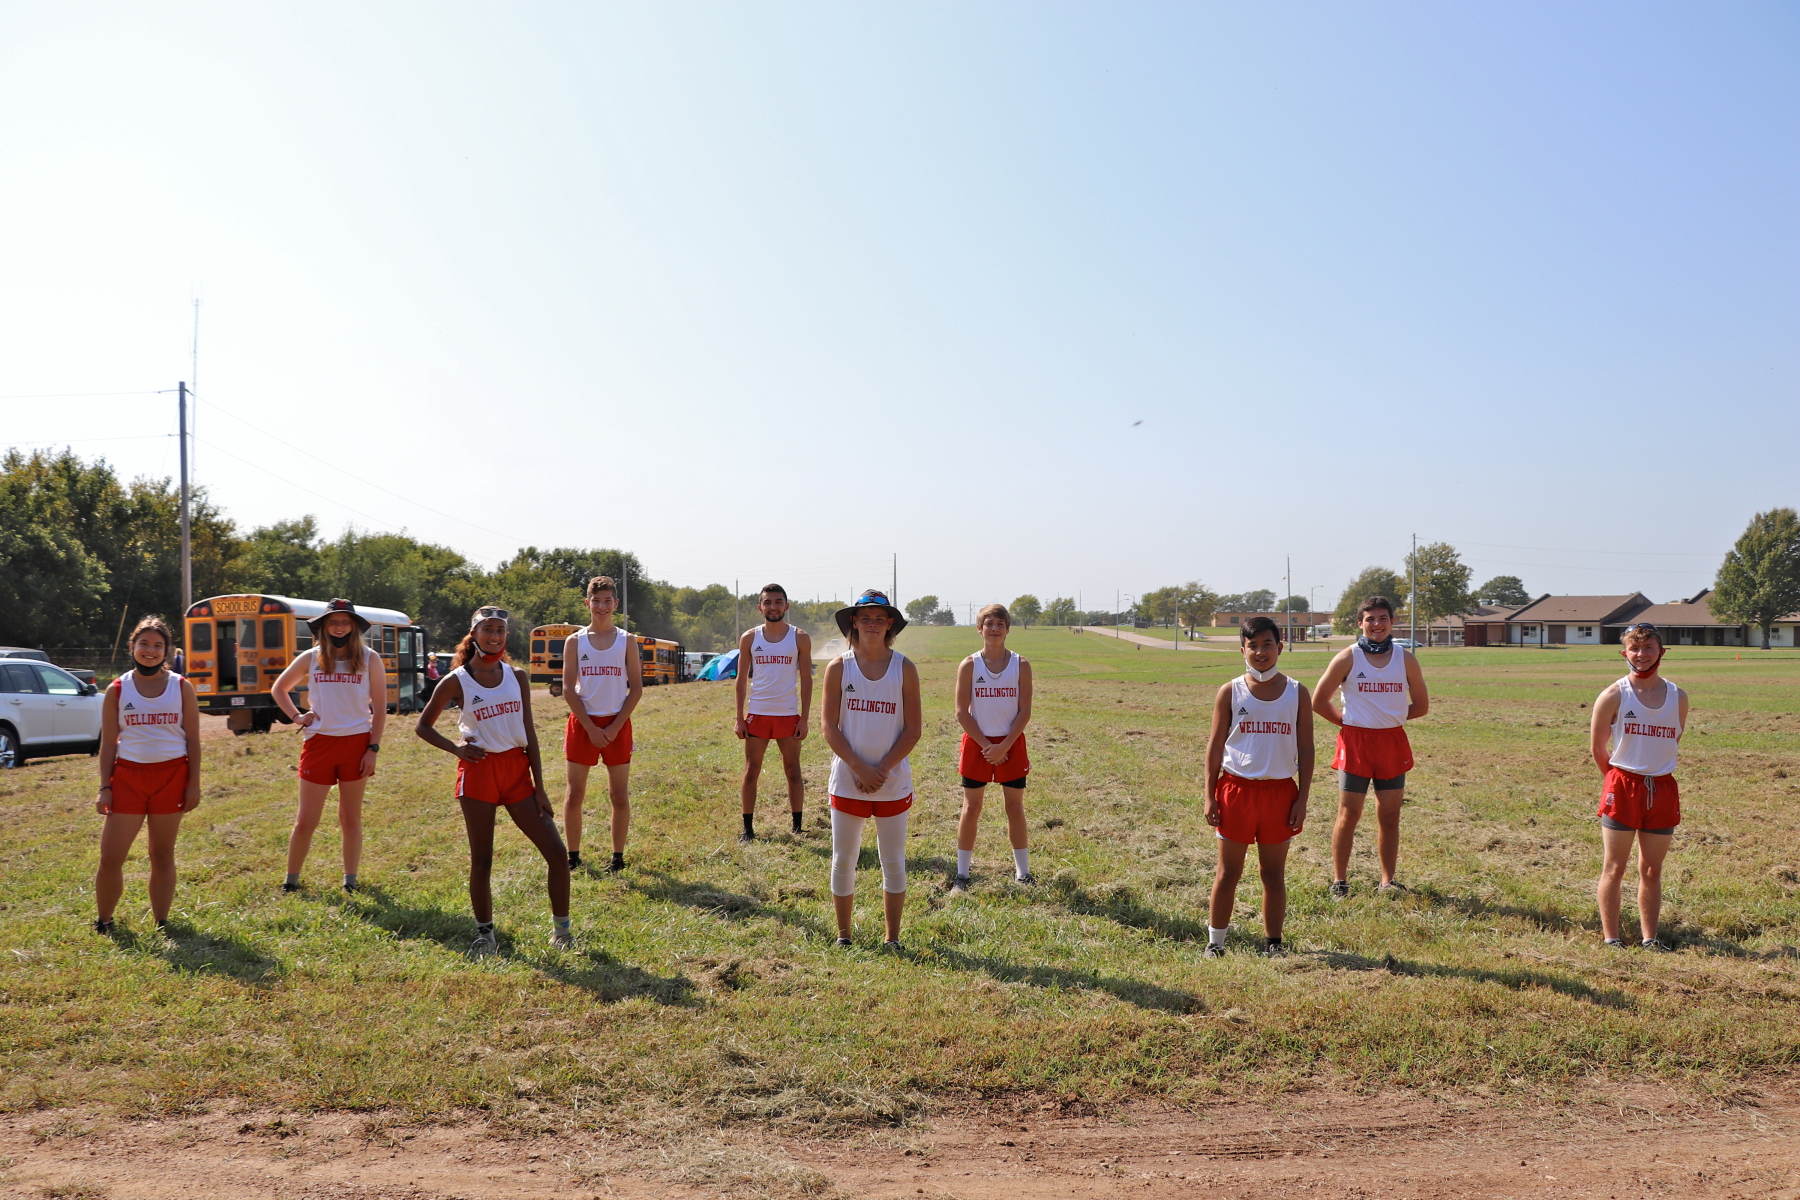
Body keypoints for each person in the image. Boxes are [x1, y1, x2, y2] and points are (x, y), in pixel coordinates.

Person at [417, 606, 572, 954]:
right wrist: (456, 749)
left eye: (501, 630)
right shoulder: (457, 679)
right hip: (479, 772)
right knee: (482, 859)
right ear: (474, 634)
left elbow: (528, 731)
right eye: (488, 629)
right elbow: (422, 726)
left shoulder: (517, 676)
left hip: (517, 772)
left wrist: (540, 786)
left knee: (557, 854)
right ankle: (485, 935)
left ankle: (562, 932)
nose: (495, 636)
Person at [1202, 617, 1312, 957]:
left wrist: (1302, 799)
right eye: (1253, 646)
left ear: (1280, 647)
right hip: (1236, 792)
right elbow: (1215, 746)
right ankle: (1215, 943)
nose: (1260, 652)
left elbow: (1306, 750)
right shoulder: (1230, 691)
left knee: (1273, 873)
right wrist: (1209, 795)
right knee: (1228, 872)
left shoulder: (1297, 692)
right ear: (1242, 650)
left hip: (1280, 793)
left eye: (1267, 644)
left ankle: (1274, 943)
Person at [821, 590, 922, 949]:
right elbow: (829, 727)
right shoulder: (839, 667)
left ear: (890, 624)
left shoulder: (904, 668)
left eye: (880, 618)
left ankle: (892, 938)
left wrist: (881, 770)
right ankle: (843, 935)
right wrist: (860, 767)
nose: (872, 624)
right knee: (844, 858)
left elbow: (913, 729)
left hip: (892, 783)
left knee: (893, 860)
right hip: (848, 781)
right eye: (865, 618)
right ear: (854, 623)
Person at [1312, 595, 1428, 898]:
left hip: (1392, 742)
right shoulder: (1348, 657)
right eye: (1371, 619)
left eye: (1383, 618)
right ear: (1360, 623)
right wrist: (1350, 723)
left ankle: (1387, 881)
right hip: (1356, 743)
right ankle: (1340, 881)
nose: (1377, 624)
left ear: (1392, 621)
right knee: (1348, 813)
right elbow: (1318, 701)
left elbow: (1422, 705)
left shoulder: (1406, 659)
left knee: (1389, 815)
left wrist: (1389, 719)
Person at [270, 598, 386, 894]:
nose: (339, 627)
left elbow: (382, 709)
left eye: (345, 622)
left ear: (355, 626)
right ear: (323, 627)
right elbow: (279, 688)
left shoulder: (370, 659)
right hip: (319, 744)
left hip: (357, 744)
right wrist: (297, 716)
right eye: (333, 621)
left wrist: (372, 749)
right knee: (306, 819)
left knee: (350, 817)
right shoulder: (311, 657)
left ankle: (350, 881)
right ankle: (291, 881)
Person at [93, 616, 200, 933]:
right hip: (127, 778)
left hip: (171, 776)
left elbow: (193, 739)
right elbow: (109, 743)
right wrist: (104, 787)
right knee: (111, 857)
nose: (150, 651)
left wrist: (193, 784)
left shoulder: (181, 686)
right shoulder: (116, 689)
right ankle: (105, 921)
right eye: (144, 644)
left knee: (161, 854)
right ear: (132, 646)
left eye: (157, 645)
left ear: (167, 650)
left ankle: (162, 922)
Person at [1589, 622, 1686, 951]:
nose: (1641, 654)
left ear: (1661, 652)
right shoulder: (1614, 694)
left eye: (1648, 648)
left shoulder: (1678, 696)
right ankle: (1611, 938)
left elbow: (1674, 739)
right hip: (1623, 785)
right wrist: (1617, 781)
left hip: (1662, 789)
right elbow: (1598, 749)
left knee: (1651, 869)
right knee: (1614, 866)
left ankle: (1649, 938)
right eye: (1635, 647)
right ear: (1624, 653)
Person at [950, 603, 1034, 890]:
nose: (994, 629)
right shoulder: (970, 665)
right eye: (989, 624)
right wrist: (987, 745)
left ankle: (1023, 873)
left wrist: (1005, 745)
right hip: (978, 744)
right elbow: (962, 711)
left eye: (1000, 624)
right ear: (979, 629)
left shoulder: (1020, 664)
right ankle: (962, 874)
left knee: (1015, 807)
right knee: (971, 808)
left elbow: (1024, 711)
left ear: (1008, 629)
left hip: (1011, 743)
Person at [562, 576, 643, 873]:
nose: (602, 606)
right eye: (596, 601)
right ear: (587, 603)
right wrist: (591, 728)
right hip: (583, 724)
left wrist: (613, 728)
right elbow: (569, 689)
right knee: (574, 794)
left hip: (617, 725)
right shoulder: (575, 641)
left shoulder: (626, 640)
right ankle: (572, 856)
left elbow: (636, 688)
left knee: (618, 795)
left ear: (616, 604)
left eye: (607, 601)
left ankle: (617, 857)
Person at [734, 583, 812, 842]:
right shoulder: (749, 638)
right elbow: (741, 680)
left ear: (786, 606)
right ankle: (747, 829)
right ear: (760, 607)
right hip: (757, 713)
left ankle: (798, 826)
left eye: (778, 602)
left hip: (788, 715)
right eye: (768, 602)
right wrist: (739, 718)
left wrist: (804, 718)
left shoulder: (799, 637)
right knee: (751, 770)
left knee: (793, 770)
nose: (773, 606)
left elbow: (807, 680)